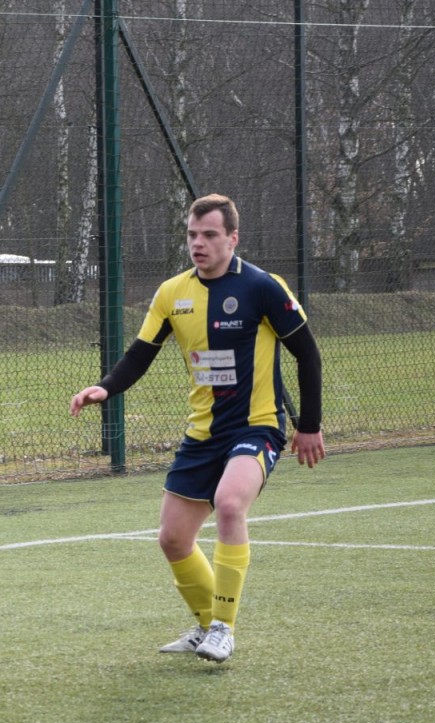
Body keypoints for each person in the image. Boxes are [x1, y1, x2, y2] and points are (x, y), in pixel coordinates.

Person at [70, 194, 325, 664]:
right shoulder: (172, 293)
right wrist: (105, 387)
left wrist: (308, 425)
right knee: (172, 539)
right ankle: (206, 625)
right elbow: (139, 355)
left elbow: (307, 353)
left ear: (233, 238)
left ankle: (223, 629)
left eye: (209, 234)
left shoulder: (263, 287)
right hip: (203, 434)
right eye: (192, 235)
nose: (198, 244)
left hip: (256, 427)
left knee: (229, 504)